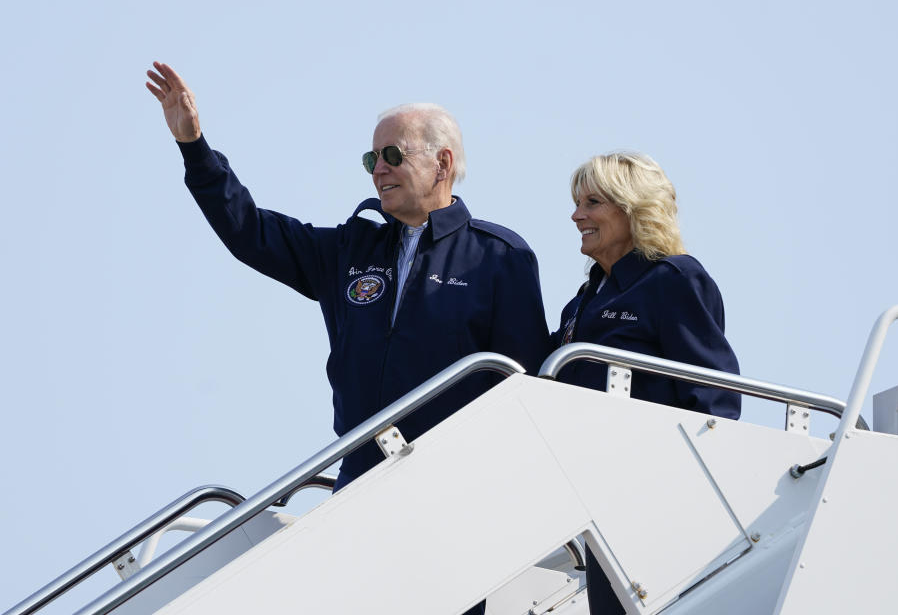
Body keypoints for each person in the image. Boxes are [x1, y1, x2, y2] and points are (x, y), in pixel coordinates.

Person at [144, 64, 551, 605]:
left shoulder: (500, 257)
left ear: (443, 163)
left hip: (454, 486)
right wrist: (195, 147)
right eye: (370, 159)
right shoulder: (348, 252)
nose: (377, 171)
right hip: (362, 479)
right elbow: (249, 231)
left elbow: (523, 387)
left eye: (392, 156)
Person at [552, 152, 740, 614]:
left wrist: (688, 496)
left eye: (592, 202)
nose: (577, 215)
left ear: (631, 208)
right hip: (595, 496)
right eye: (577, 203)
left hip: (657, 495)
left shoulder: (674, 280)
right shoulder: (581, 302)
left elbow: (715, 402)